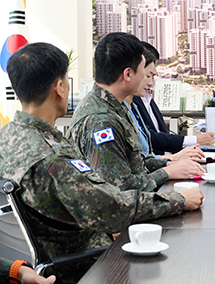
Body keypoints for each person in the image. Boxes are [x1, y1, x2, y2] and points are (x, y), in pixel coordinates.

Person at [0, 43, 203, 284]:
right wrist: (179, 200)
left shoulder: (10, 136)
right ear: (60, 88)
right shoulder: (51, 158)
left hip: (62, 256)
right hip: (85, 268)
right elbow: (112, 209)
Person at [68, 32, 204, 192]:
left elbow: (134, 162)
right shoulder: (100, 121)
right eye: (144, 72)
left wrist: (169, 164)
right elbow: (118, 190)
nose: (149, 79)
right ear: (128, 74)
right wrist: (168, 174)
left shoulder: (114, 106)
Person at [131, 42, 215, 155]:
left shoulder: (147, 97)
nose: (151, 81)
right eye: (148, 75)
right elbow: (149, 138)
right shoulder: (131, 102)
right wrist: (193, 141)